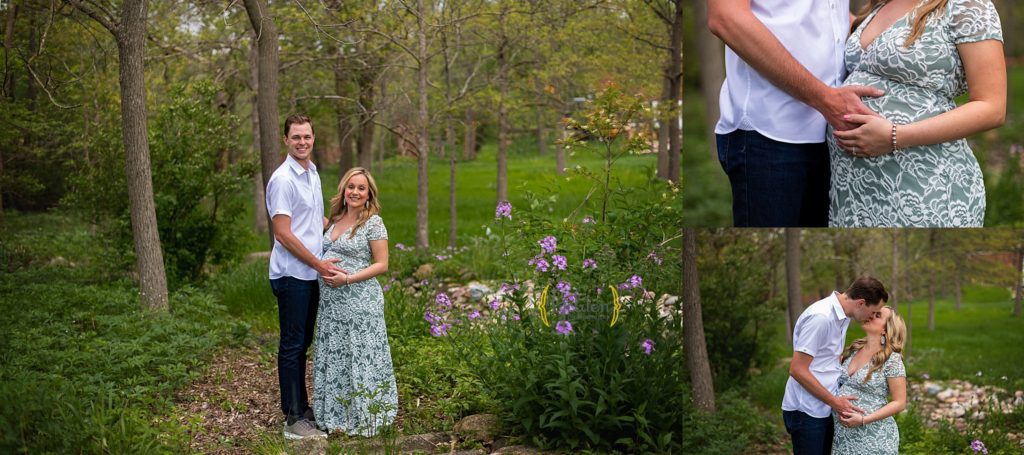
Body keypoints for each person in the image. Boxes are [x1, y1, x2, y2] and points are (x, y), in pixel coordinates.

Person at [707, 0, 884, 227]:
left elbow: (828, 15)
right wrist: (825, 99)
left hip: (836, 136)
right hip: (771, 133)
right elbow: (726, 18)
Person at [828, 0, 1005, 227]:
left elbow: (992, 107)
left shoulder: (968, 6)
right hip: (853, 191)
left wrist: (895, 136)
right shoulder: (879, 5)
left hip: (925, 188)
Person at [266, 114, 339, 440]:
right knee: (293, 344)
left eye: (307, 137)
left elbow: (313, 220)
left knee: (303, 342)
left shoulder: (311, 172)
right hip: (293, 274)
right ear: (286, 139)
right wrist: (318, 264)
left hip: (311, 273)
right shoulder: (283, 180)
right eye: (296, 137)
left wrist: (345, 229)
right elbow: (283, 233)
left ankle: (303, 406)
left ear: (313, 138)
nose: (302, 142)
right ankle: (293, 417)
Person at [313, 167, 397, 436]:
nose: (355, 192)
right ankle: (336, 414)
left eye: (361, 188)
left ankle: (365, 415)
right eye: (351, 187)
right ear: (343, 190)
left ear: (369, 194)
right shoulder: (334, 220)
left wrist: (347, 279)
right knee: (336, 357)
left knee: (360, 357)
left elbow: (382, 264)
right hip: (331, 304)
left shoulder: (373, 223)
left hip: (360, 302)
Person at [782, 276, 889, 454]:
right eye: (874, 311)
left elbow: (823, 356)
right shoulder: (821, 317)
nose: (872, 316)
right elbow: (797, 369)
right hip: (807, 410)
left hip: (825, 407)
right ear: (861, 303)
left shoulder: (844, 315)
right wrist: (835, 402)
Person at [832, 306, 907, 454]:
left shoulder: (892, 359)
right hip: (843, 436)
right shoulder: (854, 350)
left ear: (886, 329)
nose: (870, 315)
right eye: (872, 312)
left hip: (874, 437)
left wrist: (863, 419)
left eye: (877, 315)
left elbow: (899, 403)